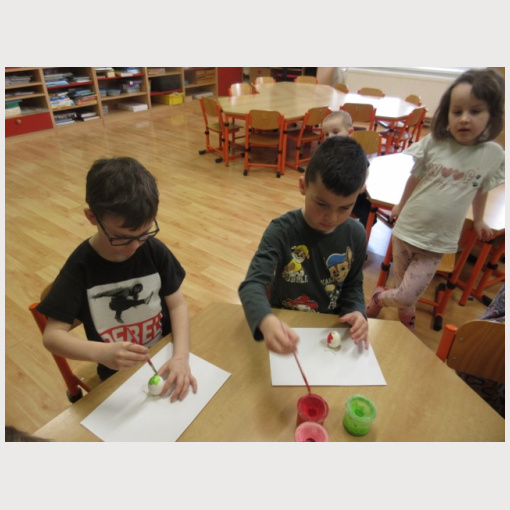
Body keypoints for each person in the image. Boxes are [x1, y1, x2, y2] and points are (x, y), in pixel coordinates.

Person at [37, 157, 197, 402]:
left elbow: (178, 306)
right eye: (121, 237)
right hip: (116, 372)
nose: (134, 246)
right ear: (92, 217)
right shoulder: (80, 268)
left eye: (144, 233)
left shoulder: (154, 251)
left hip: (165, 354)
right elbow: (52, 337)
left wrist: (181, 357)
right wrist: (101, 352)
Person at [366, 68, 505, 330]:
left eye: (475, 111)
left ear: (492, 115)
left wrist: (478, 220)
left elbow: (482, 187)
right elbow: (414, 178)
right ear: (446, 114)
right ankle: (404, 322)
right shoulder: (434, 143)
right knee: (403, 287)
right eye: (457, 111)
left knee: (407, 293)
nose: (464, 119)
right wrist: (400, 205)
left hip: (437, 243)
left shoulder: (492, 154)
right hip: (406, 231)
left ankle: (379, 298)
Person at [238, 136, 369, 354]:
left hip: (329, 328)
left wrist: (357, 310)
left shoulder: (356, 234)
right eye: (322, 203)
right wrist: (266, 320)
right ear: (303, 186)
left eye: (345, 208)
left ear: (359, 193)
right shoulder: (280, 231)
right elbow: (252, 285)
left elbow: (354, 285)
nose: (332, 217)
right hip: (286, 325)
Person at [322, 110, 374, 228]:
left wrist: (362, 182)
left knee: (369, 214)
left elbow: (365, 168)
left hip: (354, 194)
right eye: (326, 134)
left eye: (335, 132)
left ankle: (360, 234)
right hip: (334, 195)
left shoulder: (355, 151)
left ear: (349, 132)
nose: (330, 137)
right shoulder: (325, 153)